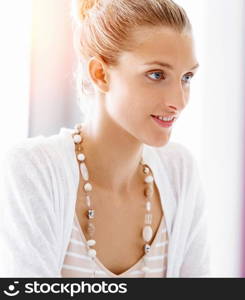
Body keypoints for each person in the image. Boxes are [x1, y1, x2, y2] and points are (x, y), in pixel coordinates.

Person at [0, 0, 211, 278]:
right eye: (156, 75)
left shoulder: (179, 172)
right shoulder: (34, 169)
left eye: (186, 77)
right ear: (100, 74)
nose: (178, 101)